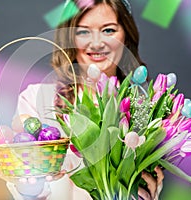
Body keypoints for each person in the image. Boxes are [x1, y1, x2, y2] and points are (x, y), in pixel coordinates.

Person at [9, 0, 164, 199]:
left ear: (126, 36)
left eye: (108, 30)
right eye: (83, 32)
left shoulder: (145, 111)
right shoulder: (37, 100)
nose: (97, 43)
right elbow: (27, 192)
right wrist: (28, 187)